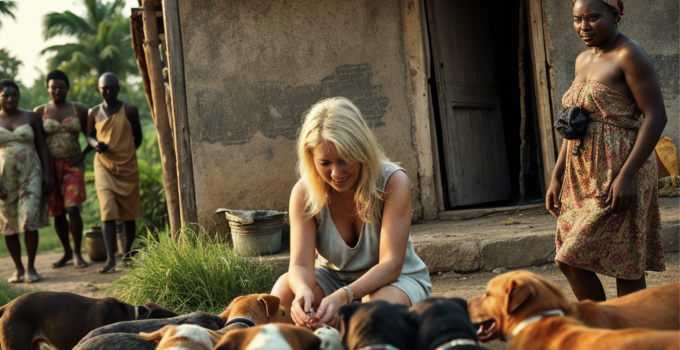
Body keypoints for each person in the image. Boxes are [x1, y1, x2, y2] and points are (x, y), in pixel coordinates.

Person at [271, 97, 431, 328]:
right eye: (325, 162)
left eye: (345, 159)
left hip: (395, 281)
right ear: (311, 158)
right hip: (334, 280)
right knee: (284, 293)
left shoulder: (393, 181)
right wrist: (303, 289)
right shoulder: (304, 193)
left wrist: (344, 296)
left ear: (362, 151)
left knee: (377, 308)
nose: (336, 173)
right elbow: (299, 265)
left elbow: (391, 264)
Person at [547, 0, 667, 301]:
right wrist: (557, 175)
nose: (583, 27)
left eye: (592, 18)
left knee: (624, 264)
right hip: (582, 173)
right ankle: (607, 331)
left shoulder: (629, 54)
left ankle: (628, 337)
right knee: (568, 258)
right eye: (577, 20)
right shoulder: (582, 59)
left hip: (622, 167)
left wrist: (627, 176)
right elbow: (574, 124)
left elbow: (655, 116)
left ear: (615, 15)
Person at [34, 70, 91, 269]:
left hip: (73, 166)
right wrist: (45, 173)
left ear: (67, 88)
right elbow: (38, 143)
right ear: (48, 89)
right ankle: (66, 251)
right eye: (53, 87)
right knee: (57, 212)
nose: (57, 90)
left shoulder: (80, 109)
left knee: (73, 208)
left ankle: (77, 253)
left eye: (61, 87)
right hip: (50, 167)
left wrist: (82, 155)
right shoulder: (40, 112)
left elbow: (92, 136)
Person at [86, 73, 143, 274]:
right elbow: (88, 136)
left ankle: (126, 255)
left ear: (118, 88)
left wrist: (124, 153)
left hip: (127, 166)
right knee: (107, 210)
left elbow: (138, 137)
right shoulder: (93, 112)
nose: (108, 92)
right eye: (104, 88)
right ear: (99, 89)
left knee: (129, 214)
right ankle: (111, 259)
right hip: (103, 166)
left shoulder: (130, 110)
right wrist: (95, 144)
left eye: (112, 88)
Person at [0, 79, 51, 283]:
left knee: (29, 221)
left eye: (15, 94)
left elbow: (42, 145)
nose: (11, 98)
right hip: (4, 180)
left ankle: (30, 267)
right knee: (8, 225)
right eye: (6, 95)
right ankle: (18, 269)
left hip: (30, 175)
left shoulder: (30, 116)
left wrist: (47, 174)